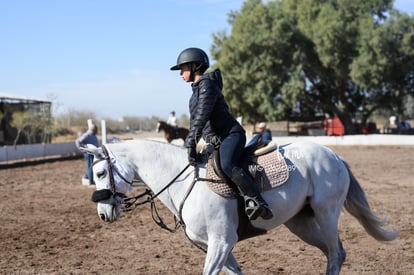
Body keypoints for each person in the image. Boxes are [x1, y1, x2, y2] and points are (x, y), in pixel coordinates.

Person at [170, 47, 273, 220]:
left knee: (226, 165)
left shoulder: (207, 86)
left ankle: (258, 201)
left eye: (183, 68)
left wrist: (190, 142)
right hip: (217, 140)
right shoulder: (194, 94)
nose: (180, 73)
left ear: (195, 66)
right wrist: (196, 144)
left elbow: (201, 117)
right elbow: (196, 123)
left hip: (231, 135)